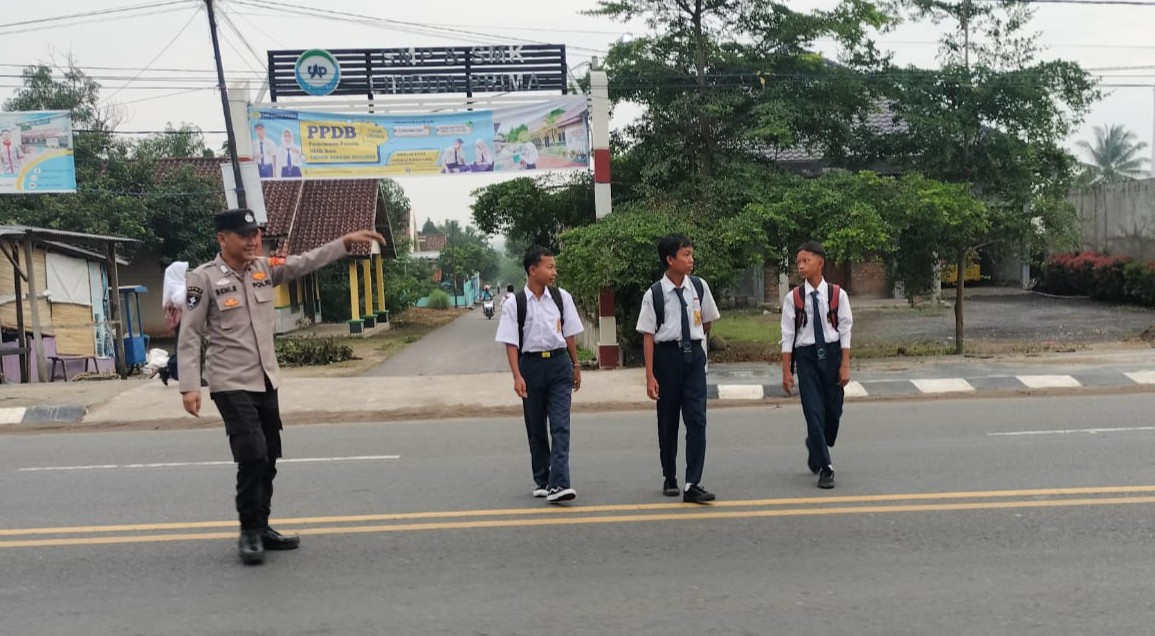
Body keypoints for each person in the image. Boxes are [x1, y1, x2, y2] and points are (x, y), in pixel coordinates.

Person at [178, 208, 385, 565]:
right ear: (222, 239)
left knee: (270, 455)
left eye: (255, 234)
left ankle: (263, 525)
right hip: (230, 383)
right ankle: (249, 532)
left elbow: (303, 263)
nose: (252, 240)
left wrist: (343, 244)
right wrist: (189, 386)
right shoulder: (204, 279)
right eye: (244, 235)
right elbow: (190, 333)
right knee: (252, 454)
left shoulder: (262, 269)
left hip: (265, 380)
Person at [636, 234, 721, 504]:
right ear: (670, 259)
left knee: (697, 419)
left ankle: (693, 482)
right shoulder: (655, 294)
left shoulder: (699, 286)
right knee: (668, 420)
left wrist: (695, 342)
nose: (691, 259)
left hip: (694, 356)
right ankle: (670, 475)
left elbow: (707, 321)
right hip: (667, 357)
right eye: (685, 255)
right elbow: (648, 336)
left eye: (691, 254)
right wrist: (650, 375)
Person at [494, 246, 583, 504]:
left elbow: (569, 334)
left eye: (554, 267)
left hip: (558, 365)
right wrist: (517, 376)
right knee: (536, 427)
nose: (554, 272)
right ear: (533, 271)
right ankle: (543, 478)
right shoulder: (516, 304)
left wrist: (575, 365)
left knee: (560, 425)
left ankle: (560, 483)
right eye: (549, 267)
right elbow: (511, 342)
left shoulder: (561, 297)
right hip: (531, 366)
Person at [780, 241, 853, 490]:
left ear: (820, 263)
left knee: (833, 413)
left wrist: (845, 364)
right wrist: (786, 371)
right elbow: (787, 335)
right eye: (798, 261)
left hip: (832, 355)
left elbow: (845, 329)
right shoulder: (794, 298)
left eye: (806, 260)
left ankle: (816, 443)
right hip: (807, 357)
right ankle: (826, 467)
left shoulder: (837, 294)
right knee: (813, 411)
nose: (801, 266)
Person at [157, 261, 188, 386]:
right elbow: (179, 300)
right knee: (185, 348)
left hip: (182, 321)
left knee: (183, 348)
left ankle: (168, 370)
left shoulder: (175, 285)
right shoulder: (178, 286)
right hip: (183, 322)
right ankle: (169, 369)